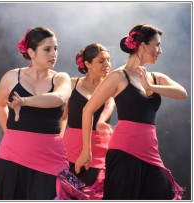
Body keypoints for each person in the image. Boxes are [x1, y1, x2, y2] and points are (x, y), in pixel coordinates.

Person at [75, 24, 187, 200]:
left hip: (151, 152)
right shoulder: (118, 76)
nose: (160, 50)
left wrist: (150, 86)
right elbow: (87, 110)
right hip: (124, 152)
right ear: (142, 46)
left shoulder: (156, 78)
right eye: (156, 45)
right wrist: (86, 151)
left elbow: (182, 93)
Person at [0, 26, 72, 200]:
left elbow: (59, 98)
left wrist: (25, 101)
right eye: (47, 49)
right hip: (12, 156)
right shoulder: (12, 76)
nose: (53, 54)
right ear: (31, 52)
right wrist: (9, 133)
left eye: (55, 48)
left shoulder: (61, 77)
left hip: (50, 157)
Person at [61, 43, 115, 199]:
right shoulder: (72, 83)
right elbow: (63, 116)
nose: (107, 65)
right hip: (70, 149)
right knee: (69, 193)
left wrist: (102, 122)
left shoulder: (112, 85)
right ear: (87, 64)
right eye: (101, 61)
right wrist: (57, 141)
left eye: (108, 60)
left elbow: (109, 105)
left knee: (97, 194)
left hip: (100, 150)